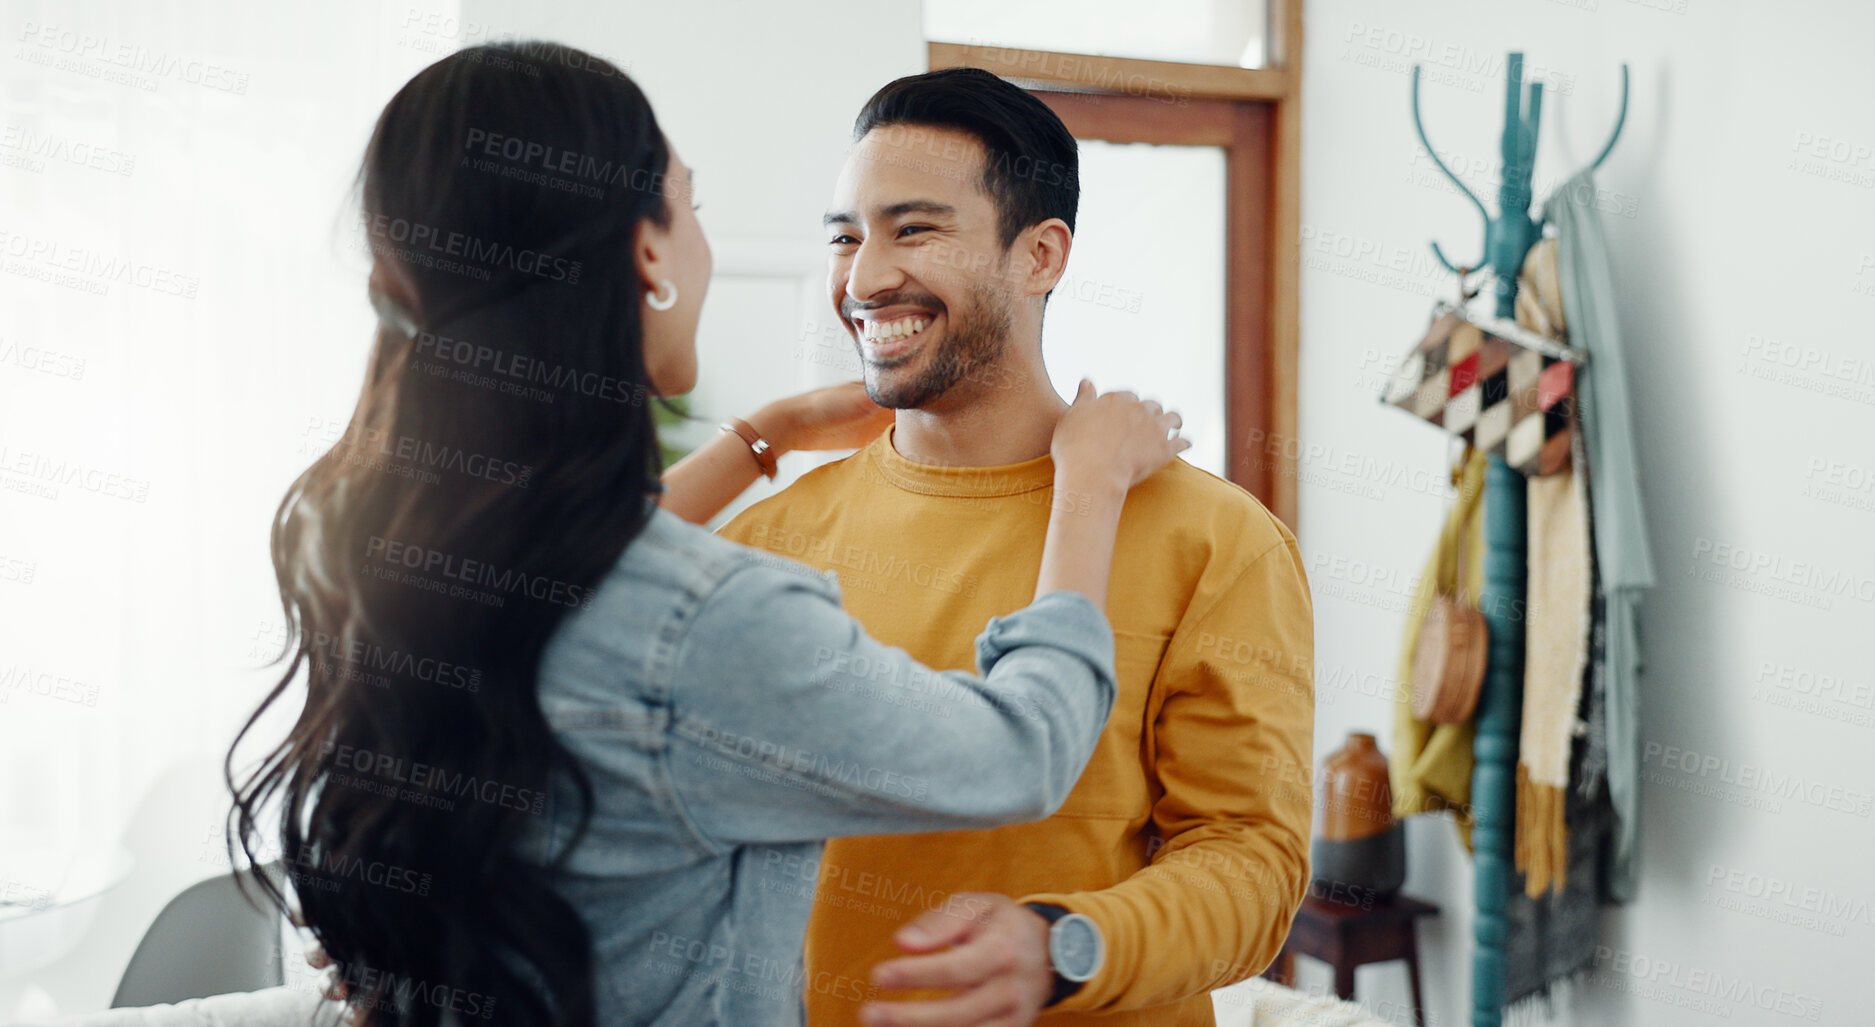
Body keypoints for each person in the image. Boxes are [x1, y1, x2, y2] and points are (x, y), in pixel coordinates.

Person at [226, 42, 1189, 1027]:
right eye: (689, 202)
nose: (862, 273)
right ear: (648, 252)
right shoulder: (722, 609)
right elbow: (1019, 751)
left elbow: (570, 573)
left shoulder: (368, 546)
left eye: (913, 228)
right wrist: (1091, 481)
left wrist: (765, 436)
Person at [679, 68, 1318, 1026]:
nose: (862, 279)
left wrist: (1067, 941)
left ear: (1040, 256)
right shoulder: (770, 540)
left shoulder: (1215, 540)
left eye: (915, 228)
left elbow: (1249, 863)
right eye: (845, 237)